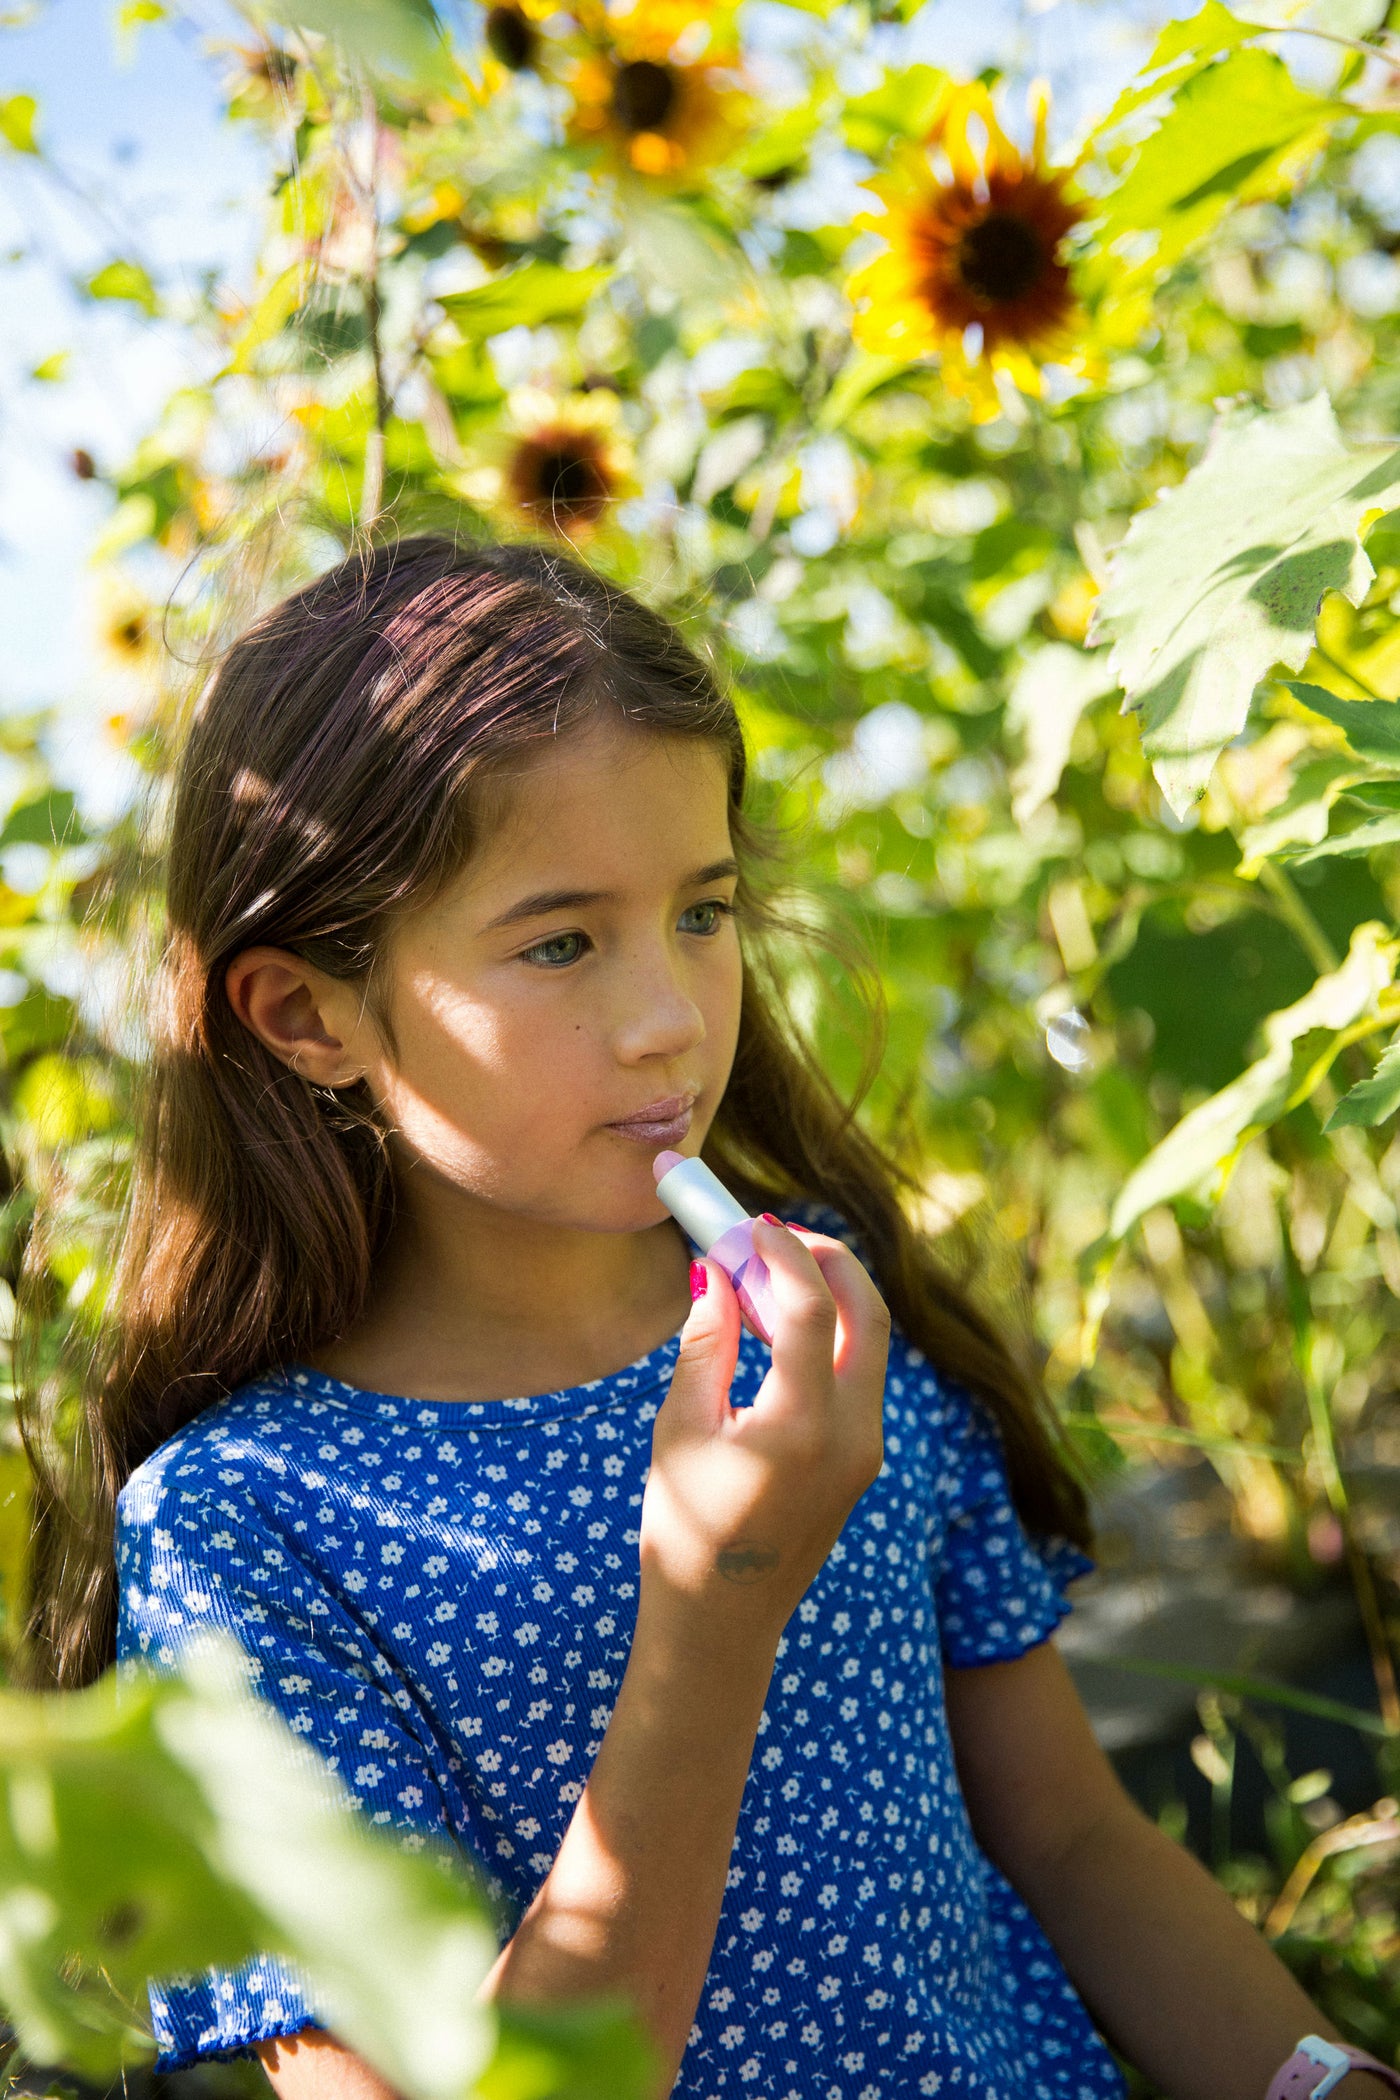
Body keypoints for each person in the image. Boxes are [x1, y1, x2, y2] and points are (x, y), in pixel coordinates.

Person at [20, 537, 1396, 2100]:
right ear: (311, 1015)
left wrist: (1316, 2079)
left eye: (704, 910)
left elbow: (1072, 1836)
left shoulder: (815, 1307)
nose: (673, 1015)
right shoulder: (248, 1525)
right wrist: (718, 1601)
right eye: (559, 941)